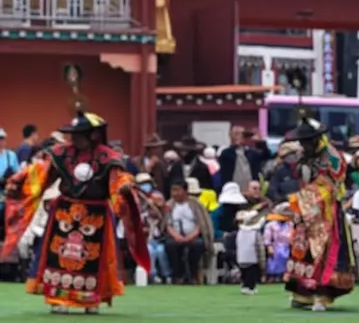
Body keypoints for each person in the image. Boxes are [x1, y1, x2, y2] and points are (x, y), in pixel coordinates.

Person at [5, 109, 149, 312]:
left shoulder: (108, 157)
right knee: (60, 255)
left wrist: (125, 187)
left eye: (79, 135)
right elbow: (40, 171)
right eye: (72, 135)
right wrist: (17, 181)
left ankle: (91, 300)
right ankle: (58, 299)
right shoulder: (62, 153)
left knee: (92, 258)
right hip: (65, 210)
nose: (74, 139)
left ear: (94, 135)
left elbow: (119, 179)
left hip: (95, 214)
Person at [283, 118, 358, 311]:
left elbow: (330, 185)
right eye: (302, 142)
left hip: (327, 210)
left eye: (307, 141)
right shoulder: (303, 155)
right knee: (304, 250)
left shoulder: (332, 157)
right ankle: (303, 294)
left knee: (325, 252)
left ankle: (323, 295)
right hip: (307, 208)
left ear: (316, 139)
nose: (304, 145)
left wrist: (301, 200)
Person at [165, 180, 209, 283]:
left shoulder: (196, 204)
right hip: (175, 236)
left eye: (177, 190)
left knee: (198, 245)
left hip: (193, 236)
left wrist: (191, 236)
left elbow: (201, 224)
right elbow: (167, 224)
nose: (174, 193)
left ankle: (193, 275)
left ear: (185, 191)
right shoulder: (169, 205)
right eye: (173, 190)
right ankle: (178, 275)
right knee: (170, 245)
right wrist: (176, 236)